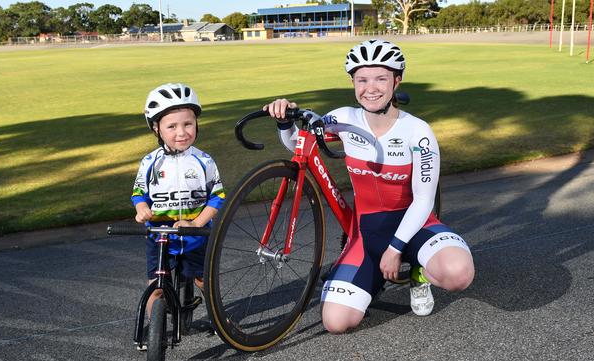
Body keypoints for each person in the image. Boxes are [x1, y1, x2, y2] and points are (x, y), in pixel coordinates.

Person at [263, 39, 474, 333]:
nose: (370, 88)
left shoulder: (418, 131)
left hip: (416, 226)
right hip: (367, 233)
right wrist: (286, 122)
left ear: (396, 81)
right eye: (362, 79)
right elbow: (302, 146)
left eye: (380, 78)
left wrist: (395, 249)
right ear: (353, 82)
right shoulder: (345, 118)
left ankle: (419, 274)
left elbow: (424, 201)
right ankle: (371, 279)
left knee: (458, 273)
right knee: (336, 323)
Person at [131, 83, 225, 343]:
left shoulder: (204, 161)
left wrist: (198, 222)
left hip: (196, 235)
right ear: (156, 128)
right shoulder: (150, 162)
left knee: (203, 280)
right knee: (156, 286)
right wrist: (141, 209)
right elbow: (139, 193)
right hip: (161, 235)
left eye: (188, 124)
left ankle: (219, 317)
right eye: (172, 126)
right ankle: (156, 328)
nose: (182, 132)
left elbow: (216, 198)